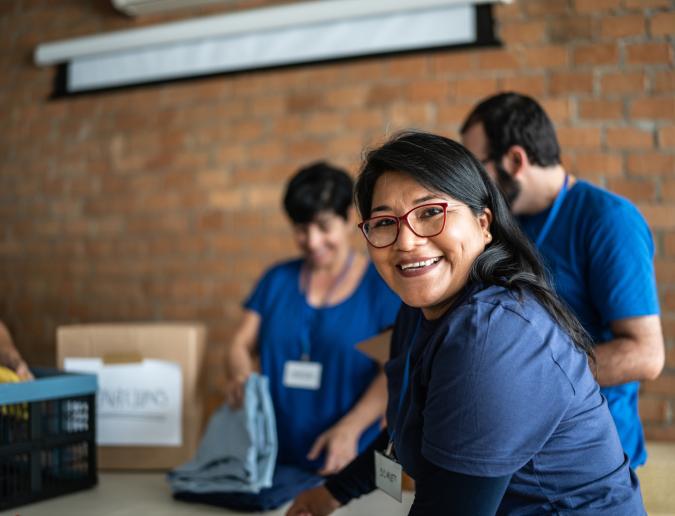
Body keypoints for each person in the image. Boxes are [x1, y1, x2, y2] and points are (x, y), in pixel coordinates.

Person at [286, 132, 645, 515]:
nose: (406, 242)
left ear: (483, 223)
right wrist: (334, 492)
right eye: (385, 222)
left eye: (430, 213)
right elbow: (412, 434)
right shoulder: (417, 312)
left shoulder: (495, 334)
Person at [460, 92, 664, 468]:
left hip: (592, 458)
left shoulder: (608, 220)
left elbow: (645, 354)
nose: (474, 186)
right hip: (516, 449)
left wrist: (521, 378)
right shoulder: (504, 223)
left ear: (515, 160)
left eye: (479, 168)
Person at [223, 161, 401, 475]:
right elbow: (239, 343)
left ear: (348, 218)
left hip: (350, 461)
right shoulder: (277, 280)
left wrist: (351, 428)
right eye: (302, 229)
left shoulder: (379, 286)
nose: (313, 241)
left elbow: (393, 372)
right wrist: (239, 374)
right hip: (274, 458)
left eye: (323, 226)